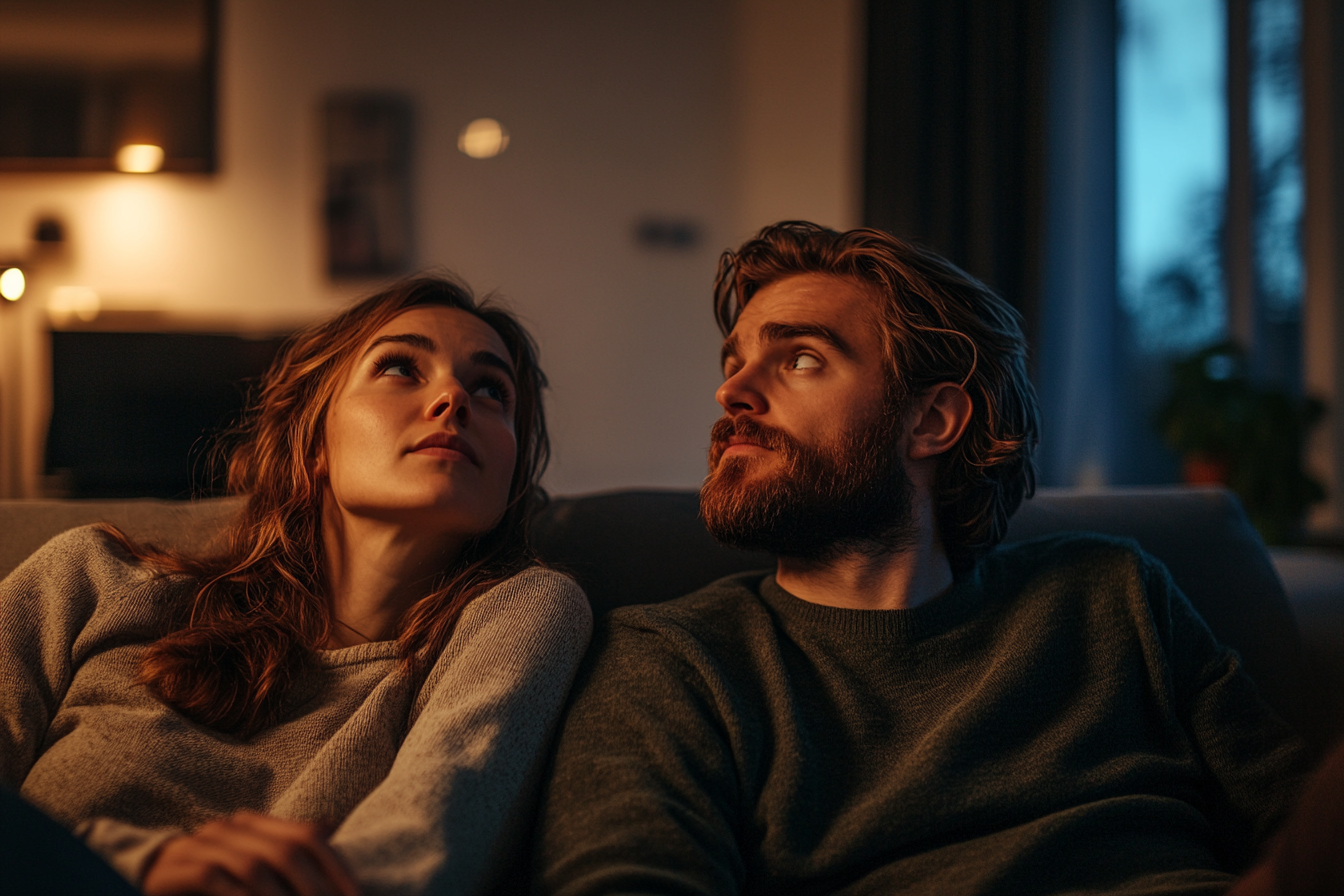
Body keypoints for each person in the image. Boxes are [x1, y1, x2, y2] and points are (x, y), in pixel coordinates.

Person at [531, 223, 1312, 895]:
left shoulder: (1113, 594)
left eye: (799, 359)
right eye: (732, 362)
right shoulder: (674, 663)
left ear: (932, 420)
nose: (732, 391)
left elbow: (1301, 821)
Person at [0, 276, 592, 896]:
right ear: (315, 440)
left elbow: (417, 860)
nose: (452, 397)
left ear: (512, 473)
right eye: (400, 368)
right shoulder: (90, 577)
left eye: (491, 389)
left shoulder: (526, 613)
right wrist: (134, 867)